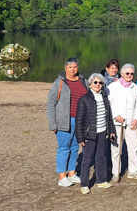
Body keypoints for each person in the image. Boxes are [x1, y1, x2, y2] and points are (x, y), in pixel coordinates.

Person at [46, 57, 88, 187]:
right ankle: (62, 177)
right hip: (64, 121)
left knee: (75, 148)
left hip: (80, 120)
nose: (72, 69)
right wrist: (53, 123)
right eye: (70, 67)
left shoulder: (83, 80)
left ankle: (72, 173)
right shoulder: (59, 83)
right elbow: (51, 104)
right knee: (64, 148)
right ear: (65, 68)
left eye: (75, 67)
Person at [75, 73, 117, 194]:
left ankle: (101, 180)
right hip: (89, 134)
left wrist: (112, 131)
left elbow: (109, 116)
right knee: (87, 159)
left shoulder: (104, 98)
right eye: (95, 82)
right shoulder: (84, 99)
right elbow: (79, 120)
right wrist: (80, 137)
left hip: (102, 131)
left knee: (101, 157)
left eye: (100, 83)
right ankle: (84, 184)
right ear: (90, 84)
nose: (98, 85)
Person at [108, 63, 137, 181]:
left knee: (133, 147)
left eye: (132, 73)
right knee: (116, 148)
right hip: (118, 122)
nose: (129, 75)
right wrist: (116, 115)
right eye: (127, 73)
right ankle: (115, 172)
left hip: (131, 122)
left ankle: (133, 171)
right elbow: (109, 104)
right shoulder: (113, 86)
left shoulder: (135, 87)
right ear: (122, 74)